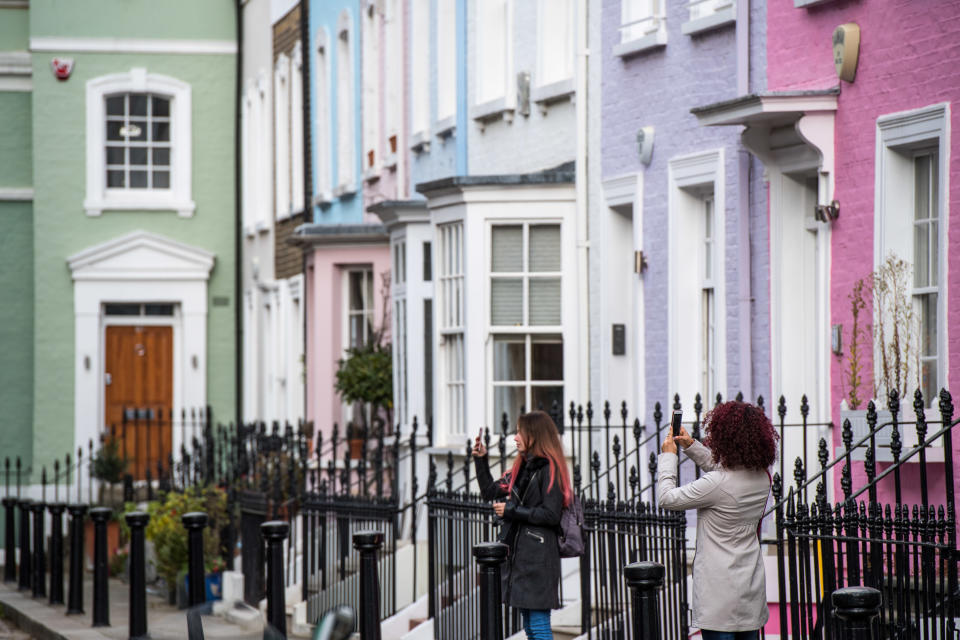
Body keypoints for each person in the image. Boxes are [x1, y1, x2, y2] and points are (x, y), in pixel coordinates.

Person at [657, 401, 777, 640]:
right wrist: (691, 446)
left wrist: (668, 457)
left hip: (718, 596)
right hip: (749, 589)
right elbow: (727, 469)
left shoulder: (717, 484)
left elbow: (666, 498)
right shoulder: (763, 477)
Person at [472, 411, 572, 640]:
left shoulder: (550, 469)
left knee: (538, 625)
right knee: (529, 626)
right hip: (521, 557)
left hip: (538, 559)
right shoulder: (522, 468)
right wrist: (481, 459)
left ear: (534, 436)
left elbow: (551, 515)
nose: (515, 438)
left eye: (520, 432)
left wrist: (511, 510)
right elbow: (490, 491)